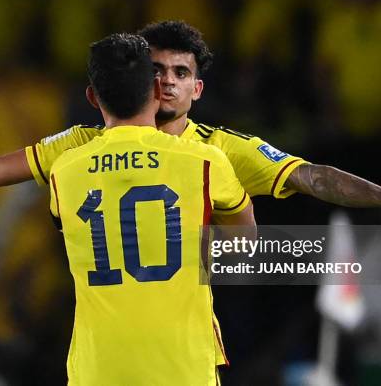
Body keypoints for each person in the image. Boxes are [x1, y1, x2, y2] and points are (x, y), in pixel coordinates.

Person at [0, 21, 381, 225]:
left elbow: (312, 177)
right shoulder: (83, 141)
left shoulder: (223, 148)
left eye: (182, 72)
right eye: (157, 69)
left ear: (197, 89)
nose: (169, 80)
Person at [47, 32, 254, 385]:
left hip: (98, 368)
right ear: (157, 92)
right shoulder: (203, 161)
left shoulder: (64, 170)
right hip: (182, 365)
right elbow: (244, 246)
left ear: (93, 98)